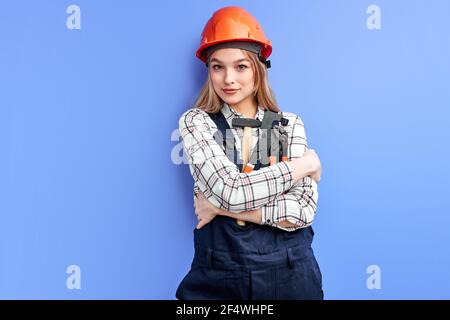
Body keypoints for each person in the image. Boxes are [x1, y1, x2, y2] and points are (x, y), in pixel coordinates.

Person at [176, 6, 323, 300]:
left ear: (259, 68)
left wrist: (219, 208)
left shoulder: (288, 125)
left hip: (292, 276)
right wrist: (303, 166)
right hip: (218, 278)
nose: (228, 78)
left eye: (241, 66)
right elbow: (231, 190)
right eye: (218, 67)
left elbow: (302, 211)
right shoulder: (197, 122)